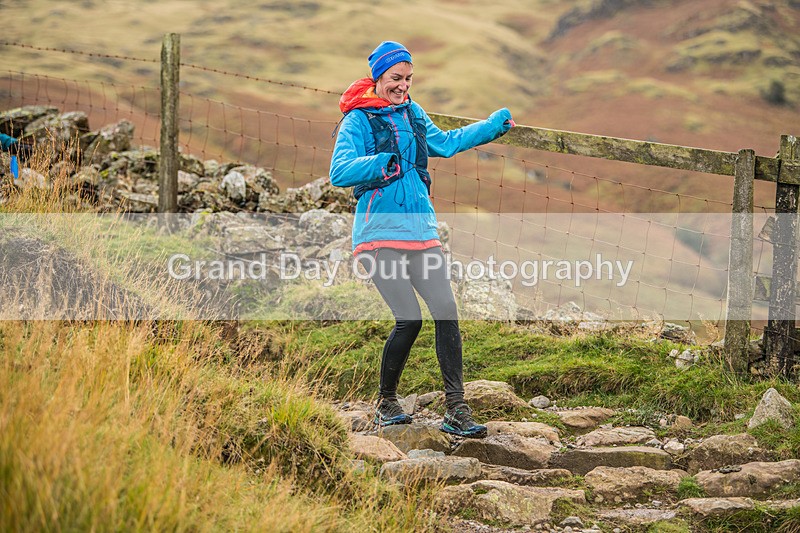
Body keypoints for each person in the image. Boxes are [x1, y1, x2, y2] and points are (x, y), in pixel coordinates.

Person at [329, 41, 513, 438]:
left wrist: (492, 126)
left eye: (409, 78)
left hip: (421, 231)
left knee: (446, 309)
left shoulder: (413, 112)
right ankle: (386, 402)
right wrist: (381, 162)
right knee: (409, 318)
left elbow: (445, 143)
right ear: (378, 77)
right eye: (396, 78)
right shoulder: (357, 121)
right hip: (378, 234)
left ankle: (456, 409)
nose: (403, 86)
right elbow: (339, 171)